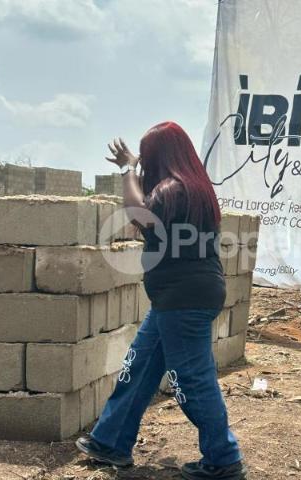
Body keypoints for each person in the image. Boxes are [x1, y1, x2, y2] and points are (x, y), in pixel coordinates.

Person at [75, 121, 247, 480]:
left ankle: (223, 458)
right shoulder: (190, 187)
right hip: (177, 298)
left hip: (184, 300)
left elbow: (137, 213)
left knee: (192, 381)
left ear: (160, 157)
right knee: (138, 367)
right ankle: (110, 442)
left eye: (147, 156)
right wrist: (135, 167)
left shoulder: (175, 189)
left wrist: (127, 170)